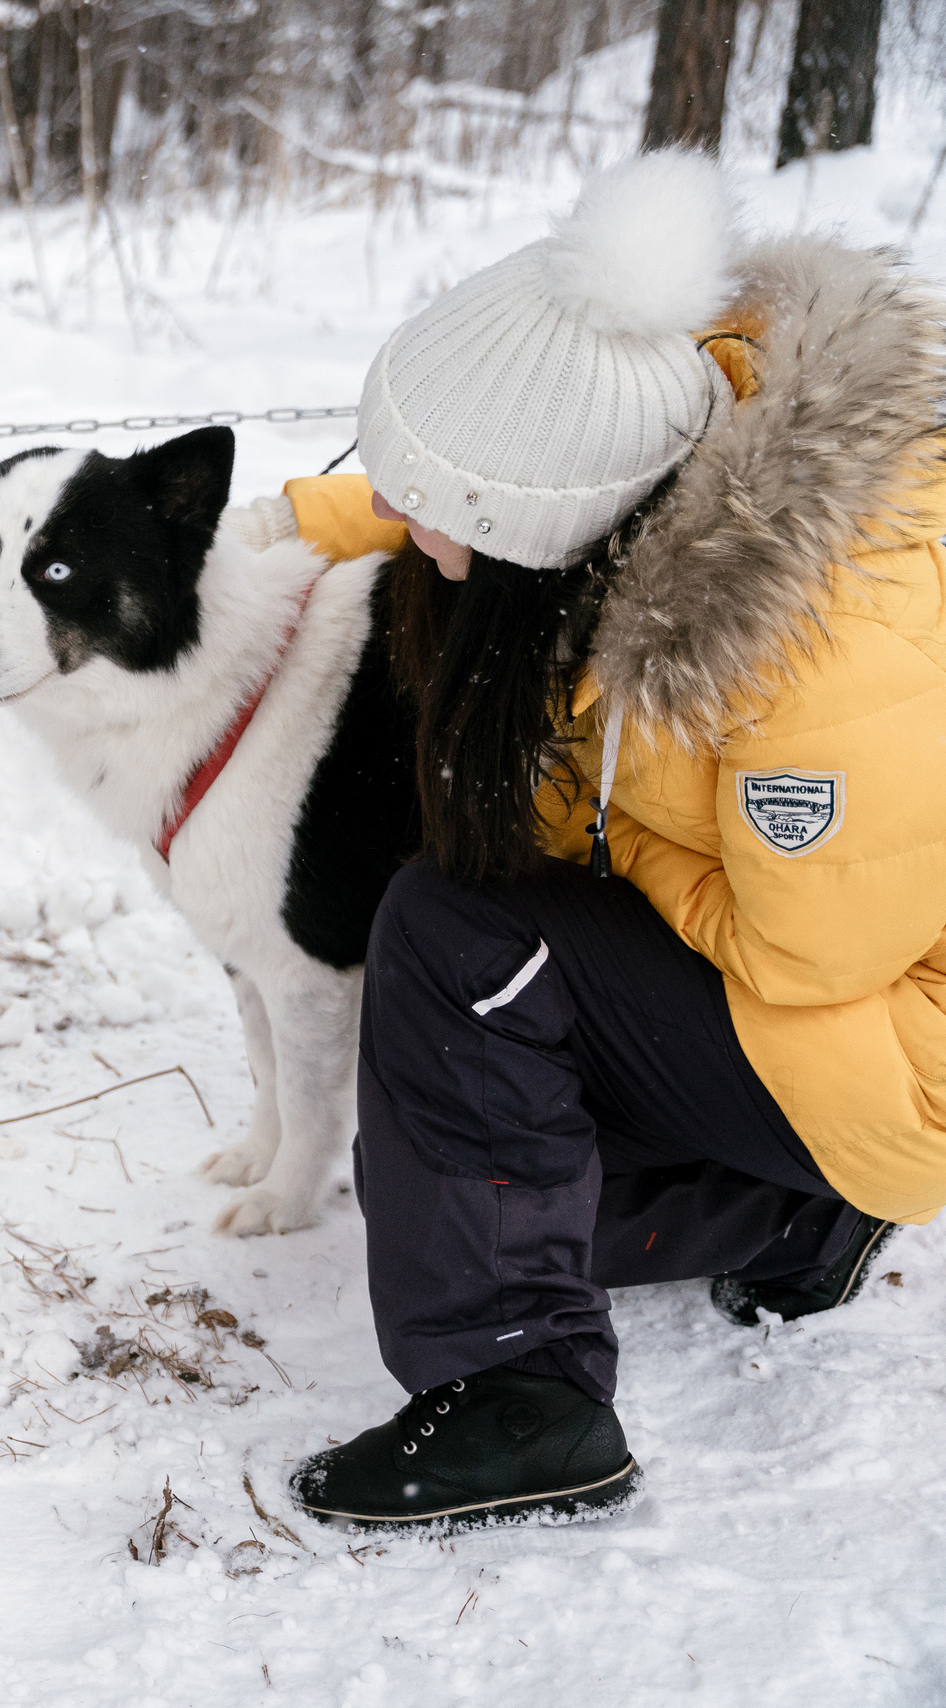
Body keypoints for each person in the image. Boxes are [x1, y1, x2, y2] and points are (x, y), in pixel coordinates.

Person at [270, 150, 946, 1531]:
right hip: (818, 1019)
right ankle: (799, 1215)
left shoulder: (810, 636)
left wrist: (608, 835)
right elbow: (480, 473)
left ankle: (524, 1399)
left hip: (896, 1037)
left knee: (464, 941)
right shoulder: (655, 415)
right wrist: (278, 523)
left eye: (427, 499)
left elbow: (813, 954)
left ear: (539, 522)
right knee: (462, 1190)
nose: (400, 518)